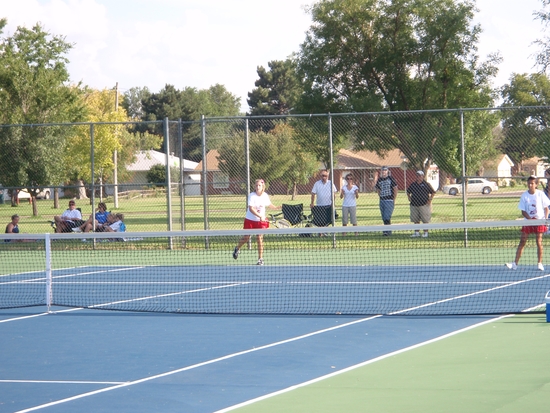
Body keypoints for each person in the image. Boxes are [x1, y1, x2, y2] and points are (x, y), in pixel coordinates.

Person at [506, 176, 550, 271]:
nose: (530, 185)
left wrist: (545, 219)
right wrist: (530, 220)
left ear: (536, 185)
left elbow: (547, 208)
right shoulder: (524, 195)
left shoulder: (540, 194)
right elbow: (523, 211)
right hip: (528, 221)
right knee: (522, 241)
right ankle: (515, 264)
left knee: (539, 242)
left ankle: (539, 263)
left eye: (532, 183)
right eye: (529, 183)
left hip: (539, 221)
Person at [232, 179, 279, 266]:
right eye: (256, 185)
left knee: (259, 238)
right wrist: (260, 216)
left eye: (259, 185)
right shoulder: (252, 196)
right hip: (250, 220)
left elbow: (269, 204)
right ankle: (237, 248)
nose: (257, 187)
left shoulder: (265, 196)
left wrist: (276, 207)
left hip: (261, 222)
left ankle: (260, 259)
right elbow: (251, 208)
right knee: (246, 238)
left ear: (263, 187)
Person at [406, 170, 436, 238]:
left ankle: (425, 233)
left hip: (424, 205)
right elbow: (408, 192)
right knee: (416, 220)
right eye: (417, 175)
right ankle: (417, 233)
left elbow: (433, 192)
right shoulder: (413, 184)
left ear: (423, 176)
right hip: (414, 205)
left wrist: (430, 199)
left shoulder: (426, 184)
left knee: (425, 220)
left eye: (420, 175)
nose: (418, 177)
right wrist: (409, 197)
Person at [375, 166, 398, 236]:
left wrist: (393, 199)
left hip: (389, 200)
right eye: (382, 170)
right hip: (382, 200)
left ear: (387, 171)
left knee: (387, 216)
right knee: (383, 216)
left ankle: (387, 231)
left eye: (385, 170)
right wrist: (380, 196)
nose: (384, 172)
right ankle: (386, 231)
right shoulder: (379, 180)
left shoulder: (391, 179)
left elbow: (395, 189)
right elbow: (378, 189)